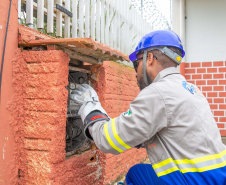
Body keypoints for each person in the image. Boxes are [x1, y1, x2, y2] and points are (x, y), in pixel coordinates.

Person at [70, 30, 226, 185]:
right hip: (216, 177)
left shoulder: (158, 92)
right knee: (140, 173)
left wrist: (89, 104)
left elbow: (107, 141)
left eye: (136, 63)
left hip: (195, 181)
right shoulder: (191, 90)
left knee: (134, 176)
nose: (136, 73)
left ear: (149, 58)